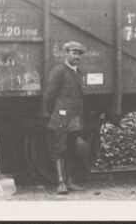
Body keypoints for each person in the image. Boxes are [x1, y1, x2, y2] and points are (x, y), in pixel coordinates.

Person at [43, 41, 87, 194]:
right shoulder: (59, 71)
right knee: (60, 149)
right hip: (61, 116)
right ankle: (61, 183)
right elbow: (50, 96)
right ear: (66, 53)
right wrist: (53, 112)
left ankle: (69, 181)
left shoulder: (78, 72)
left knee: (73, 148)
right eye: (74, 53)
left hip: (74, 117)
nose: (77, 57)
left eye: (79, 54)